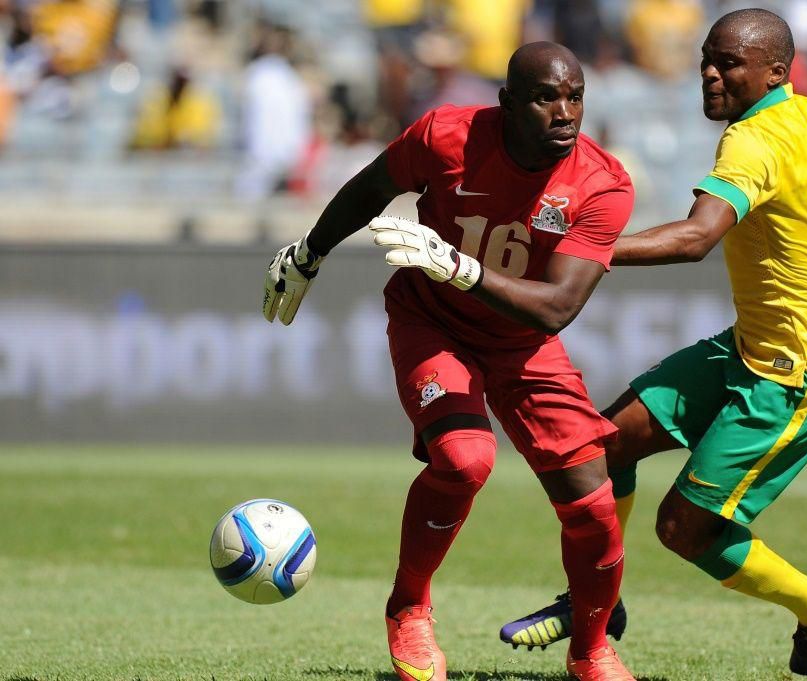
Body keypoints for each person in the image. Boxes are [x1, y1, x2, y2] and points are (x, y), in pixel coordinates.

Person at [500, 9, 807, 676]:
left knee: (683, 528)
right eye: (707, 59)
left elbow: (697, 237)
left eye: (727, 63)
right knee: (607, 444)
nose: (709, 74)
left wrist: (581, 247)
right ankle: (596, 601)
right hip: (749, 348)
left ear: (776, 72)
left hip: (798, 378)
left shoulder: (753, 141)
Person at [262, 42, 637, 681]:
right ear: (508, 103)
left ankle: (592, 651)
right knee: (465, 460)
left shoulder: (602, 183)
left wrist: (461, 268)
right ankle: (409, 608)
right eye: (546, 98)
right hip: (432, 323)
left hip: (524, 341)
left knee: (594, 503)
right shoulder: (446, 137)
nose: (565, 113)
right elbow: (372, 186)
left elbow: (556, 308)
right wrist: (310, 253)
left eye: (575, 97)